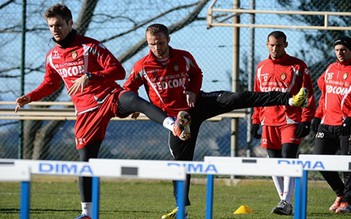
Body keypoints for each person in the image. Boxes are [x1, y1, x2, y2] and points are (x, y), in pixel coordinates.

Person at [14, 4, 190, 219]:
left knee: (132, 98)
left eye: (59, 24)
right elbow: (50, 83)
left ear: (70, 23)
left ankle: (173, 125)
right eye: (51, 26)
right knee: (86, 161)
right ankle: (86, 213)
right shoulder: (52, 56)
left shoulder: (91, 46)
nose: (55, 29)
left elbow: (118, 70)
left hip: (108, 97)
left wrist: (90, 75)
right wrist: (29, 97)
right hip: (86, 111)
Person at [123, 23, 310, 219]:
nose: (157, 48)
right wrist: (134, 106)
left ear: (168, 40)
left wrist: (194, 92)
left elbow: (197, 74)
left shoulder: (184, 57)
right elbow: (129, 88)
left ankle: (289, 98)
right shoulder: (142, 66)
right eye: (152, 44)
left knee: (237, 98)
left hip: (197, 105)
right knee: (180, 164)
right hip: (176, 120)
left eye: (160, 43)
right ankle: (182, 210)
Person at [250, 31, 316, 215]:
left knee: (288, 157)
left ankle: (285, 201)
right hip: (268, 121)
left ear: (285, 45)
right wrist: (255, 120)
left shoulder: (298, 66)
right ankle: (284, 201)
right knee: (274, 162)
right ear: (266, 44)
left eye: (278, 45)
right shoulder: (261, 67)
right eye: (272, 44)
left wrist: (306, 120)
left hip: (290, 120)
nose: (275, 48)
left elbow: (308, 95)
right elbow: (257, 96)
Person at [311, 36, 351, 214]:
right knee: (319, 161)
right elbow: (325, 96)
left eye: (344, 49)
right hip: (327, 124)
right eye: (337, 50)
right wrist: (317, 116)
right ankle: (341, 193)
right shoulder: (329, 69)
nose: (340, 53)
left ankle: (348, 202)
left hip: (346, 125)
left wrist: (350, 119)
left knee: (347, 165)